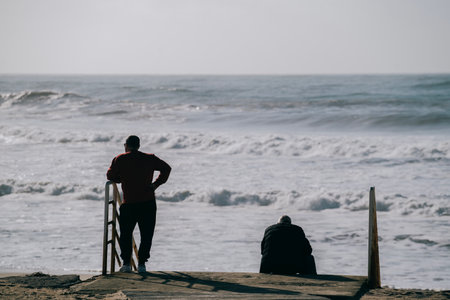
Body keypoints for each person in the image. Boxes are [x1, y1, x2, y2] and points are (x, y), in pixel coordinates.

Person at [107, 135, 171, 273]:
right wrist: (155, 185)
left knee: (126, 234)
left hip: (129, 203)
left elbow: (110, 176)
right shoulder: (150, 158)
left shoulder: (120, 159)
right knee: (146, 234)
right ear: (139, 145)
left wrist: (121, 179)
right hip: (148, 203)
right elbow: (167, 168)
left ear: (126, 145)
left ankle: (126, 264)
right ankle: (142, 264)